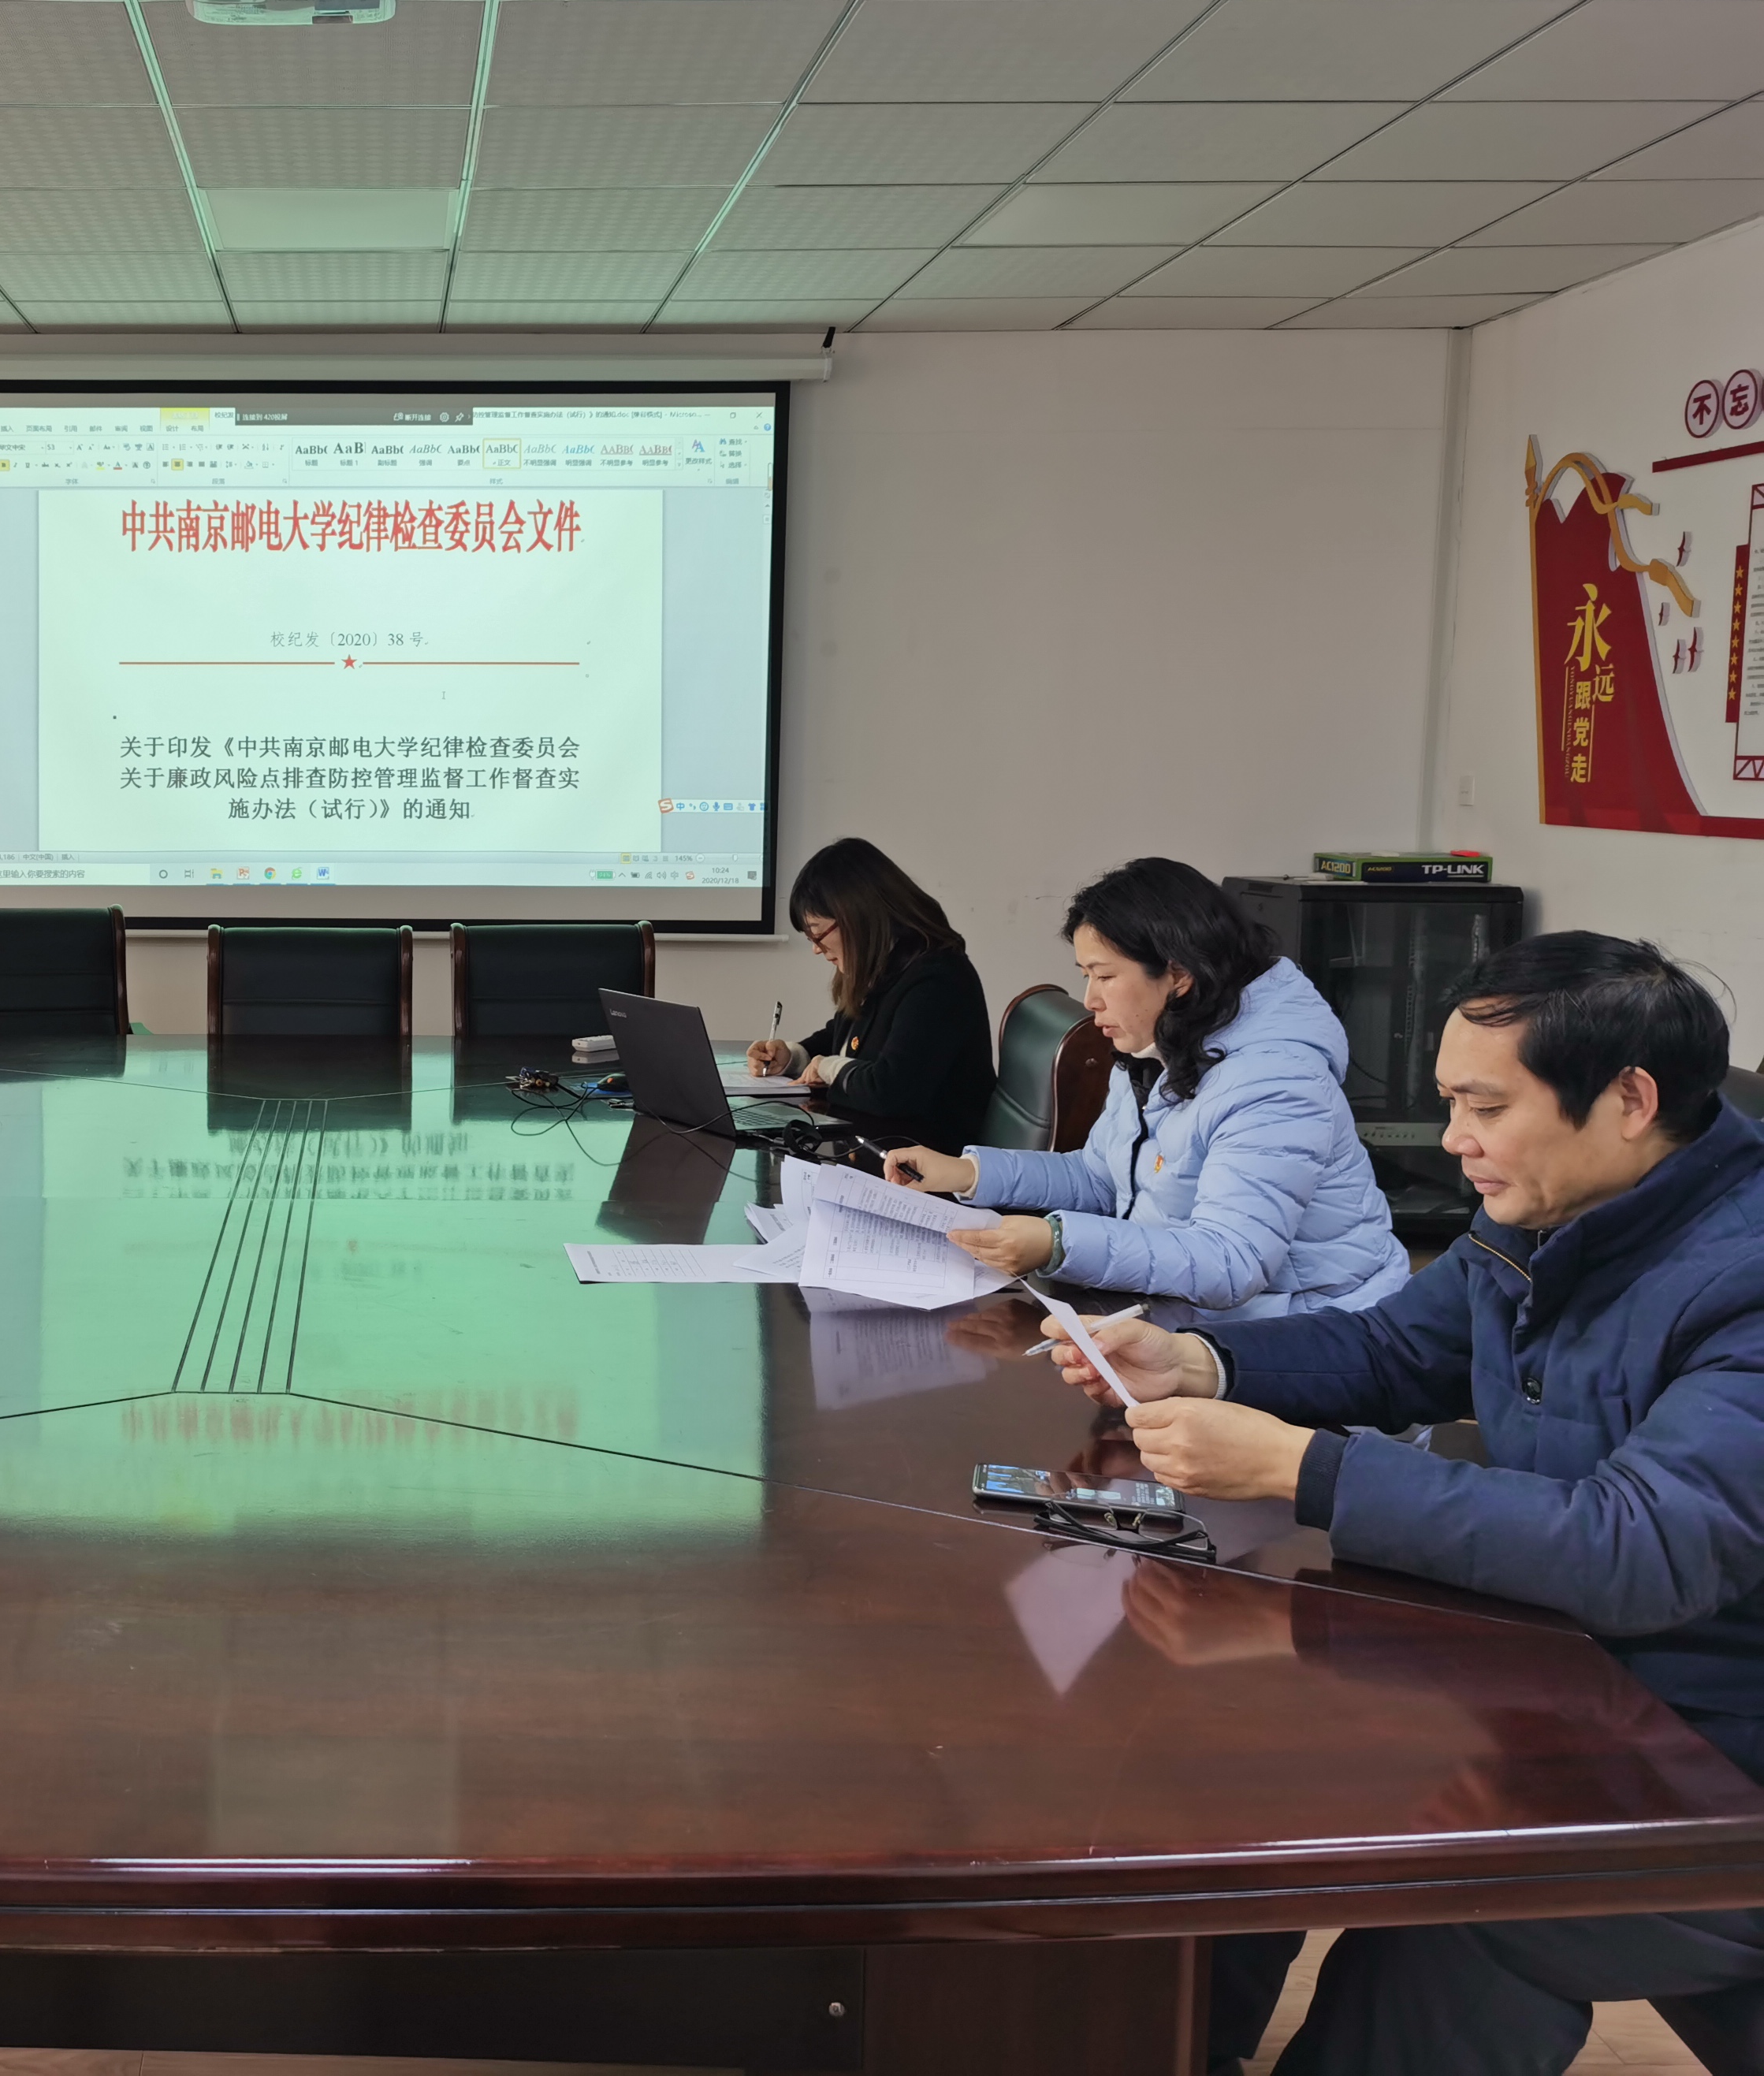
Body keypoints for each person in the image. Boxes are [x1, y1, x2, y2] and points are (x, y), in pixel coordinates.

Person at [1041, 932, 1764, 2076]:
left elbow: (1642, 1548)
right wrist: (1204, 1363)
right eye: (1450, 1100)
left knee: (1474, 1906)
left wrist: (1303, 1468)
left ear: (1630, 1101)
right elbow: (1396, 1351)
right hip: (1566, 1669)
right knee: (1235, 1750)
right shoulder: (1545, 1205)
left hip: (1711, 1743)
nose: (1454, 1139)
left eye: (1486, 1106)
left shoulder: (1744, 1275)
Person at [884, 857, 1409, 1319]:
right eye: (1085, 975)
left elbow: (1231, 1262)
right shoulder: (1159, 1048)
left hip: (1312, 1336)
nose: (1090, 1000)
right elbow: (1100, 1178)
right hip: (1196, 1324)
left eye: (1105, 976)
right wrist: (969, 1173)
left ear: (1178, 974)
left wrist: (1059, 1242)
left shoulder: (1274, 1082)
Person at [742, 837, 996, 1155]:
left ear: (855, 916)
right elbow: (843, 1037)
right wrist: (794, 1057)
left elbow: (892, 1091)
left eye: (817, 933)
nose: (816, 948)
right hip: (879, 1145)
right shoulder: (886, 964)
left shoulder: (938, 978)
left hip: (926, 1160)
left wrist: (828, 1069)